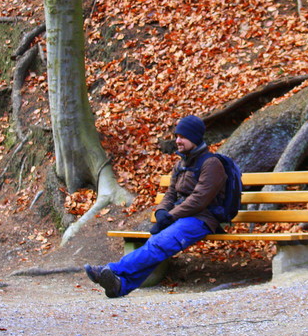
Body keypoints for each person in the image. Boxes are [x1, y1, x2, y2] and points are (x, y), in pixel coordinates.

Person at [84, 115, 224, 298]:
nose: (178, 141)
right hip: (182, 217)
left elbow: (200, 199)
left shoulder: (212, 164)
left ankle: (112, 270)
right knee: (156, 244)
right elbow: (171, 194)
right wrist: (161, 212)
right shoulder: (181, 164)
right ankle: (120, 286)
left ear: (195, 138)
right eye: (177, 136)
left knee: (158, 243)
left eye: (183, 137)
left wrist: (171, 216)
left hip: (203, 219)